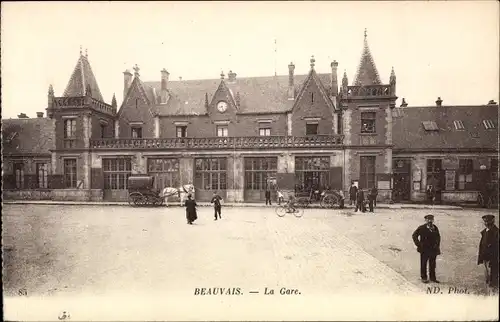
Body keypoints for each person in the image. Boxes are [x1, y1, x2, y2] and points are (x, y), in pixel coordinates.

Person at [412, 214, 441, 283]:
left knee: (433, 264)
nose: (430, 221)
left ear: (433, 220)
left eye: (431, 219)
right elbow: (414, 235)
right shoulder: (422, 228)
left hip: (433, 249)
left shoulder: (435, 228)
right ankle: (424, 277)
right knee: (423, 263)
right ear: (425, 220)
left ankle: (432, 277)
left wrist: (437, 246)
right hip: (424, 249)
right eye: (428, 219)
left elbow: (438, 237)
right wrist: (419, 245)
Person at [477, 214, 499, 293]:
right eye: (485, 222)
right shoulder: (485, 231)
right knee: (487, 273)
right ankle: (489, 286)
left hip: (492, 258)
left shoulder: (496, 232)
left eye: (487, 222)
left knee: (492, 274)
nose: (486, 223)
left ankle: (493, 289)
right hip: (485, 257)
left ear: (492, 222)